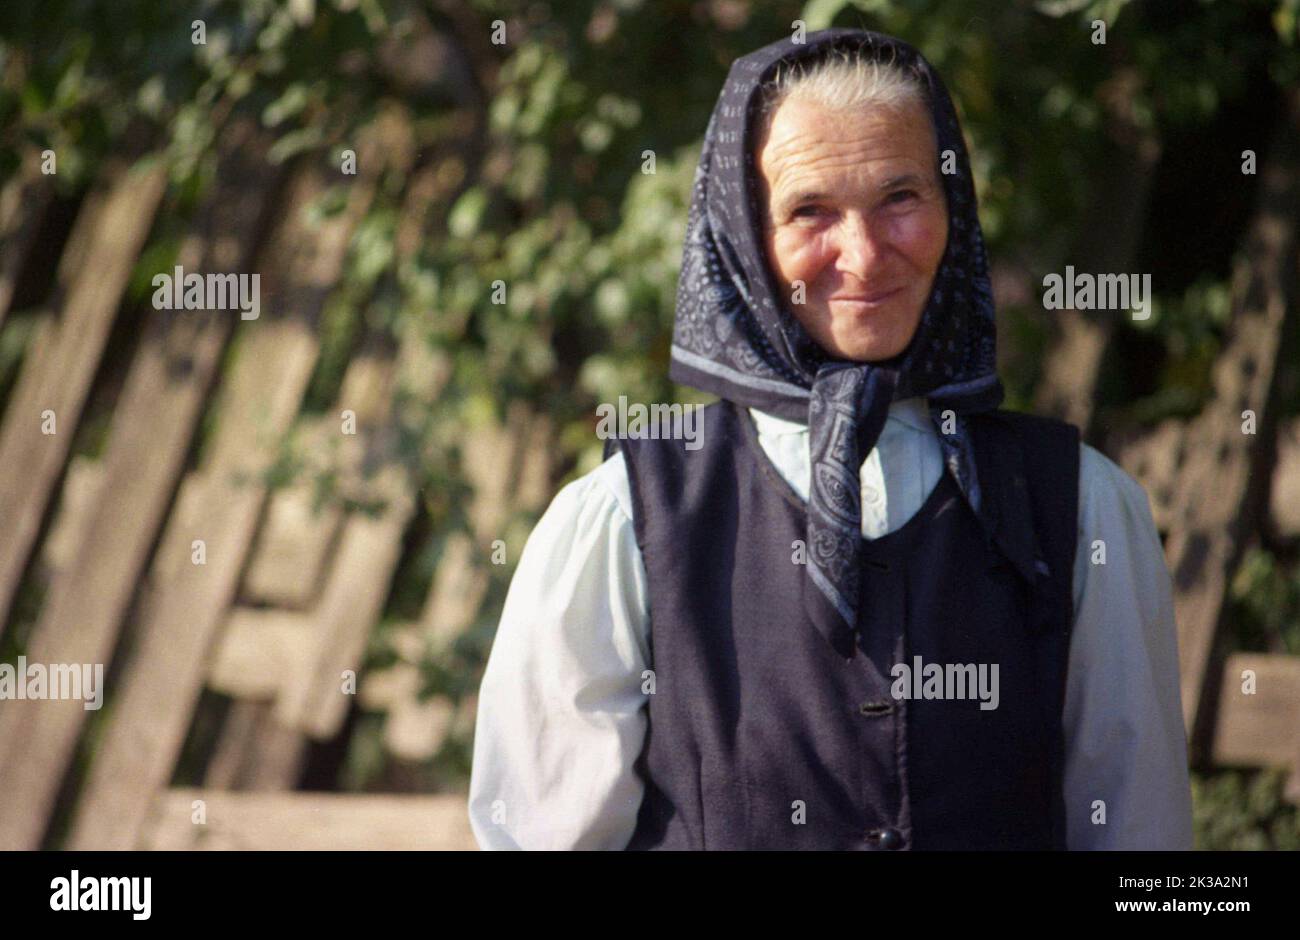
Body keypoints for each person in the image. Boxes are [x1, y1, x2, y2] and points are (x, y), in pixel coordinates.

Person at [467, 28, 1194, 850]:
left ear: (953, 209)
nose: (864, 253)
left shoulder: (1080, 506)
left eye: (901, 198)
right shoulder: (628, 518)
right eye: (810, 210)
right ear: (744, 237)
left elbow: (1142, 839)